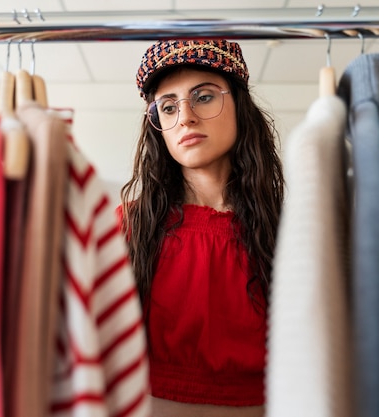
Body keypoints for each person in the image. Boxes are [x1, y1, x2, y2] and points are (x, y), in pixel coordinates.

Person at [119, 39, 284, 416]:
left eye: (204, 97)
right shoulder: (126, 227)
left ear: (240, 106)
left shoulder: (289, 232)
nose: (186, 117)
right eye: (168, 107)